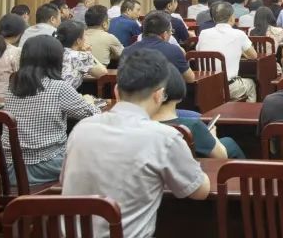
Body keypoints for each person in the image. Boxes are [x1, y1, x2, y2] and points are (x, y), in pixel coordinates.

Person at [61, 49, 209, 238]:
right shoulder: (164, 138)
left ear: (116, 91)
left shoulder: (81, 129)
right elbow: (199, 191)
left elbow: (64, 181)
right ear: (159, 95)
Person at [4, 35, 101, 185]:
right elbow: (94, 115)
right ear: (56, 59)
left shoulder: (12, 85)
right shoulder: (59, 87)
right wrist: (88, 102)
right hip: (48, 166)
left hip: (10, 169)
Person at [156, 63, 246, 159]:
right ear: (180, 95)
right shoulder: (193, 126)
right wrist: (212, 136)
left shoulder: (145, 125)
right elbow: (222, 156)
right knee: (229, 143)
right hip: (195, 166)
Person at [197, 1, 258, 101]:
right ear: (231, 17)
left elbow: (199, 51)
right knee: (251, 84)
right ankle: (247, 111)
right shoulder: (239, 34)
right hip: (229, 87)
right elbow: (254, 56)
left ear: (213, 19)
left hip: (205, 86)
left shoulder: (203, 33)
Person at [122, 12, 195, 83]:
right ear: (165, 34)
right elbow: (190, 78)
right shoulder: (174, 50)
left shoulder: (127, 51)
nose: (171, 34)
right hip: (165, 90)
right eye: (171, 31)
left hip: (136, 91)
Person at [57, 20, 106, 89]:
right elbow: (102, 73)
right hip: (65, 94)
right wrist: (88, 53)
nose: (86, 38)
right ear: (78, 41)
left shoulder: (53, 51)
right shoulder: (80, 56)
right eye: (85, 35)